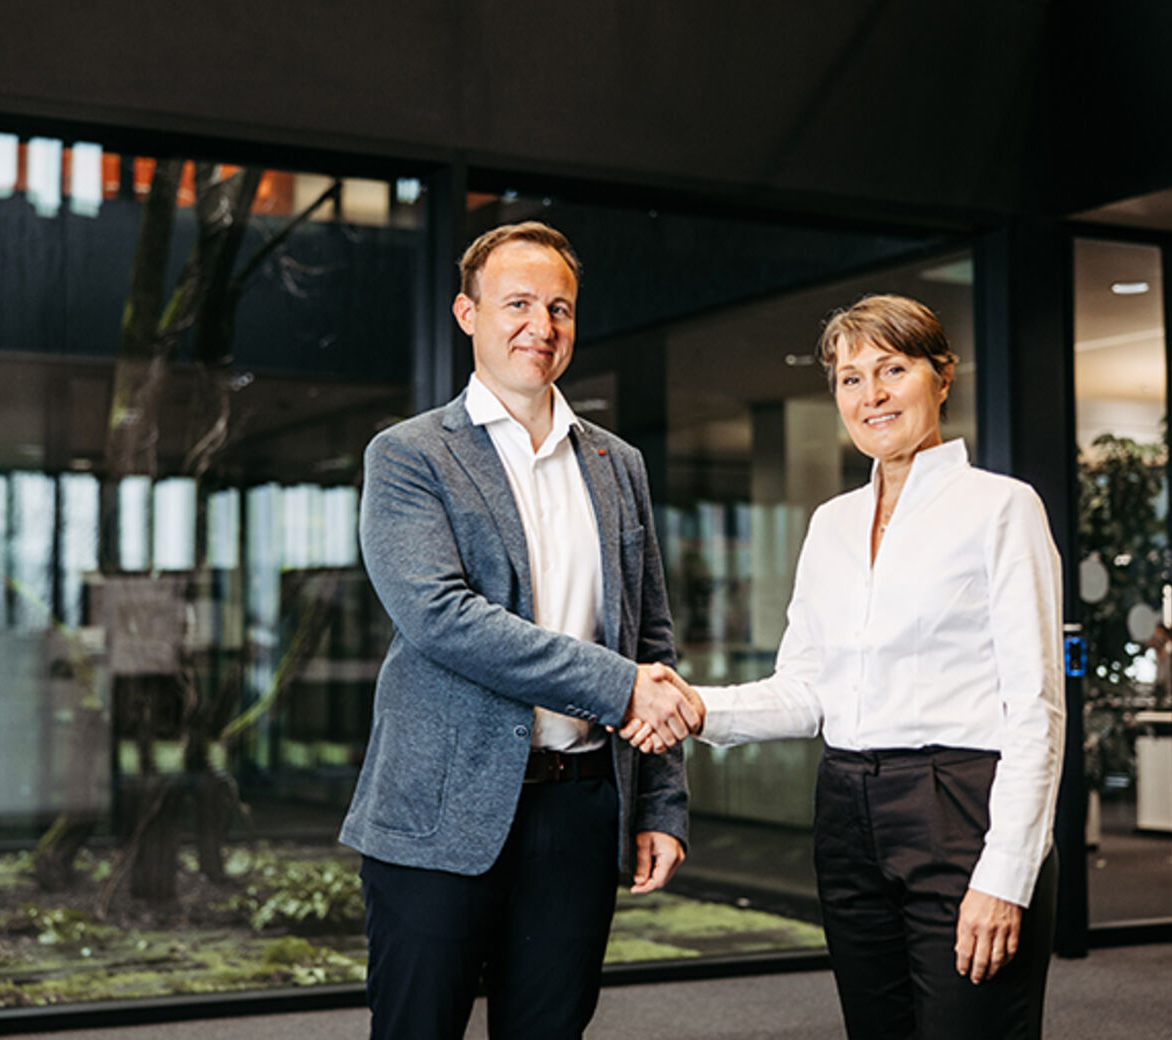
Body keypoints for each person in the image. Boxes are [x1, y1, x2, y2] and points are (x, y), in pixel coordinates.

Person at [626, 293, 1065, 1040]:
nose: (872, 395)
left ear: (941, 376)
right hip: (846, 810)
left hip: (960, 807)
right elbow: (807, 689)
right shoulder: (830, 524)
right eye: (850, 378)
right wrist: (697, 708)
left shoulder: (1001, 509)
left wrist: (1005, 875)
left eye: (892, 369)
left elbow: (1036, 709)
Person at [340, 221, 701, 1040]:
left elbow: (651, 638)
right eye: (518, 304)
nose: (541, 326)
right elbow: (443, 618)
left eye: (560, 308)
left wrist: (661, 805)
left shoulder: (617, 464)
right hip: (438, 813)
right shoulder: (408, 455)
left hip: (579, 810)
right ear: (467, 314)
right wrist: (617, 687)